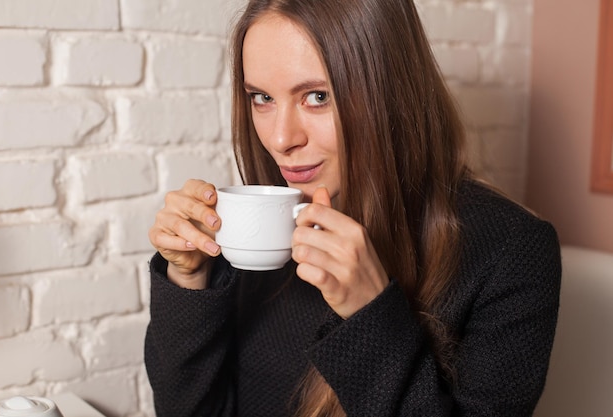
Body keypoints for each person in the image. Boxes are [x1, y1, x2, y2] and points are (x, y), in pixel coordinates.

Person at [144, 0, 562, 415]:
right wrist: (190, 279)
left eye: (318, 96)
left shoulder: (512, 251)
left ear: (392, 90)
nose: (280, 138)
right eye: (262, 97)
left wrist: (370, 313)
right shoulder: (260, 230)